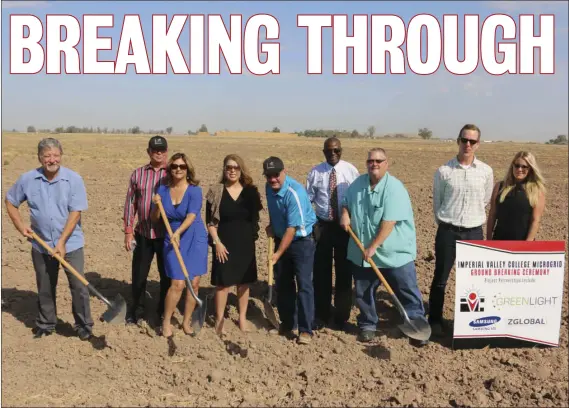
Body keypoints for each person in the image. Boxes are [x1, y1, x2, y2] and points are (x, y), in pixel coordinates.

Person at [5, 138, 93, 340]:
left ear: (61, 156)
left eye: (55, 155)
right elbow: (10, 202)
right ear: (40, 158)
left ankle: (83, 325)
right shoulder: (28, 179)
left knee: (79, 286)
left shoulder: (73, 179)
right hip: (41, 244)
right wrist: (20, 226)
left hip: (70, 245)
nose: (52, 159)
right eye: (47, 156)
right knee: (45, 286)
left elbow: (76, 213)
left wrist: (61, 242)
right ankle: (46, 323)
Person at [340, 148, 429, 346]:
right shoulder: (358, 184)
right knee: (363, 292)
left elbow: (389, 222)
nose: (375, 164)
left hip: (393, 253)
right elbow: (345, 202)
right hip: (362, 252)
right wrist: (345, 213)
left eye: (379, 161)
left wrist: (373, 246)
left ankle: (416, 323)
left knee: (406, 289)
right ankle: (368, 325)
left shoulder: (394, 188)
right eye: (371, 160)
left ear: (387, 163)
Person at [429, 124, 493, 336]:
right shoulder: (444, 171)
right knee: (441, 278)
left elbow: (485, 200)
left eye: (472, 141)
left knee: (473, 282)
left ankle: (471, 323)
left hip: (474, 232)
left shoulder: (486, 171)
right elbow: (437, 204)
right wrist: (449, 223)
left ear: (478, 144)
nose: (468, 144)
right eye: (464, 140)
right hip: (448, 231)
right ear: (458, 141)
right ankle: (435, 320)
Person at [150, 152, 208, 337]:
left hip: (193, 236)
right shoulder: (163, 190)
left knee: (194, 282)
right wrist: (156, 206)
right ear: (170, 169)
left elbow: (192, 215)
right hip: (172, 237)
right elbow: (154, 219)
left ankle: (186, 321)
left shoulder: (194, 191)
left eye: (182, 166)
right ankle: (166, 321)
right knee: (177, 283)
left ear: (187, 169)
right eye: (174, 166)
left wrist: (178, 232)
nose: (178, 169)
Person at [206, 154, 263, 336]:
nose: (232, 170)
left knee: (243, 283)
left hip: (245, 244)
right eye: (229, 167)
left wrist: (252, 239)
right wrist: (217, 244)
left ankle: (242, 318)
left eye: (236, 167)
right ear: (224, 169)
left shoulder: (251, 192)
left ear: (241, 170)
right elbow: (210, 223)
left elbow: (255, 220)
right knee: (223, 284)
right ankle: (220, 319)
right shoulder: (216, 191)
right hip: (223, 244)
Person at [306, 137, 359, 330]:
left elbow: (357, 198)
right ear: (324, 152)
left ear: (341, 150)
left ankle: (341, 317)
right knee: (321, 273)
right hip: (323, 226)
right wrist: (312, 224)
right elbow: (308, 199)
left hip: (344, 228)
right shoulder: (315, 172)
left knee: (344, 273)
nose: (333, 154)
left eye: (336, 150)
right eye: (329, 151)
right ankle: (321, 314)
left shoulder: (351, 171)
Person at [264, 156, 317, 345]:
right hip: (282, 238)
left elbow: (292, 229)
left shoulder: (295, 193)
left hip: (301, 242)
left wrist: (277, 253)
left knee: (304, 285)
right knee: (284, 284)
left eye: (276, 175)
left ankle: (305, 330)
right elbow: (275, 211)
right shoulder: (268, 188)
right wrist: (272, 225)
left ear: (283, 172)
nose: (273, 179)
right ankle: (287, 323)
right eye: (269, 176)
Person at [123, 135, 171, 325]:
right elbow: (130, 203)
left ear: (166, 151)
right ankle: (137, 310)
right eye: (155, 150)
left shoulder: (173, 173)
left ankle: (162, 311)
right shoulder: (138, 174)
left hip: (166, 235)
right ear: (148, 152)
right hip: (143, 233)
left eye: (162, 150)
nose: (158, 153)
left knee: (166, 275)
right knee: (139, 275)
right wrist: (128, 230)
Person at [487, 151, 546, 241]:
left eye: (524, 167)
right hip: (499, 241)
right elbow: (492, 214)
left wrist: (527, 244)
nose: (519, 169)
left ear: (530, 169)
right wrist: (488, 239)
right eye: (517, 165)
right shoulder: (499, 187)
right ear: (512, 166)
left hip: (522, 243)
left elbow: (535, 220)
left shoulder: (537, 190)